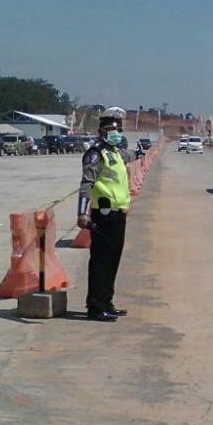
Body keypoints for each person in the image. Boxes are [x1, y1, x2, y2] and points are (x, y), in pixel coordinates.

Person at [77, 107, 135, 321]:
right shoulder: (95, 154)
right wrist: (82, 213)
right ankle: (95, 306)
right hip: (103, 214)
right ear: (101, 130)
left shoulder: (115, 152)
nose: (116, 132)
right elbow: (86, 184)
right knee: (101, 261)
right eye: (112, 128)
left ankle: (107, 301)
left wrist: (139, 151)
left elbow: (129, 155)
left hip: (118, 214)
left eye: (119, 129)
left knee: (113, 260)